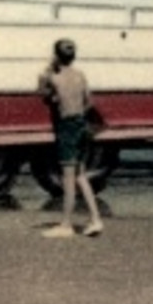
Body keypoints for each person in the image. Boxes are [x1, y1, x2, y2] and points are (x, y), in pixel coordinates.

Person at [38, 38, 103, 238]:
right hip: (82, 125)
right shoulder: (80, 76)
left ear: (56, 55)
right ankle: (95, 219)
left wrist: (48, 71)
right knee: (80, 175)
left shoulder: (53, 78)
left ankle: (66, 224)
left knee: (68, 178)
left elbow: (43, 96)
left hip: (66, 127)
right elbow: (89, 102)